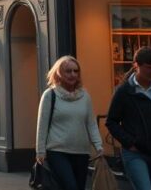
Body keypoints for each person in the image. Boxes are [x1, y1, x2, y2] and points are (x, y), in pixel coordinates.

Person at [106, 47, 151, 190]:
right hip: (135, 153)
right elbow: (111, 122)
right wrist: (129, 142)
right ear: (136, 66)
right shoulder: (124, 92)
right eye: (148, 68)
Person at [35, 56, 103, 190]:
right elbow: (42, 126)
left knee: (79, 187)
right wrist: (40, 152)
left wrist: (98, 145)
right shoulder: (50, 95)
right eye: (68, 71)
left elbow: (91, 123)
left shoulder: (85, 96)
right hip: (57, 151)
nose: (73, 74)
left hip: (81, 151)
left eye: (75, 71)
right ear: (58, 73)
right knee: (71, 186)